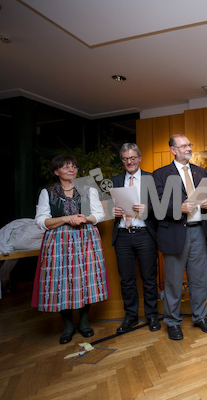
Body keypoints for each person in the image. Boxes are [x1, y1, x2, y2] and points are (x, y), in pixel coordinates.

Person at [32, 155, 109, 344]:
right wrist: (66, 219)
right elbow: (41, 221)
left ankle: (84, 322)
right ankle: (67, 325)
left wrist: (85, 218)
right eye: (66, 167)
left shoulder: (87, 189)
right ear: (56, 171)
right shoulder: (47, 192)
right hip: (59, 241)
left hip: (86, 238)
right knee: (61, 281)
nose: (72, 170)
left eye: (74, 167)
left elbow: (98, 214)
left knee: (86, 278)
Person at [153, 134, 207, 341]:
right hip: (175, 232)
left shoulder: (200, 171)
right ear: (173, 150)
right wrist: (177, 208)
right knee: (173, 281)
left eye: (190, 144)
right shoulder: (160, 175)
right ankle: (172, 322)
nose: (189, 148)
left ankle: (200, 318)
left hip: (198, 230)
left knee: (199, 280)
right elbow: (156, 206)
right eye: (184, 146)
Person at [111, 143, 160, 333]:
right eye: (125, 159)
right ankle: (130, 317)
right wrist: (111, 211)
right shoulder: (115, 180)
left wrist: (148, 209)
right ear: (122, 160)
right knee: (127, 280)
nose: (129, 162)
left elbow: (162, 206)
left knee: (149, 278)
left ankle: (152, 316)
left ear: (139, 158)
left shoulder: (152, 178)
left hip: (145, 234)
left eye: (132, 158)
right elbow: (107, 207)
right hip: (122, 236)